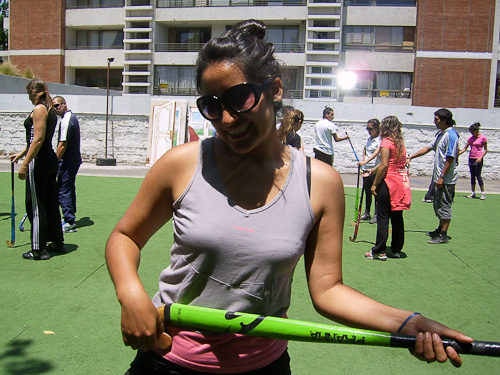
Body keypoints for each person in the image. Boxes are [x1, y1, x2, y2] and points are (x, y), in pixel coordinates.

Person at [106, 20, 472, 375]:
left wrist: (407, 322)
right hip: (169, 360)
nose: (228, 119)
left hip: (263, 367)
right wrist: (131, 294)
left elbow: (328, 290)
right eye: (213, 106)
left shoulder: (320, 183)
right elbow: (124, 237)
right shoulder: (182, 163)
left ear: (275, 89)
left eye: (239, 99)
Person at [10, 80, 64, 260]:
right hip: (48, 158)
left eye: (30, 96)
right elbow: (38, 139)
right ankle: (57, 241)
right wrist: (22, 153)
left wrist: (25, 164)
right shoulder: (50, 110)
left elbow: (38, 140)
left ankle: (38, 249)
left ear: (35, 94)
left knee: (35, 204)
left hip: (39, 161)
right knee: (49, 201)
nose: (29, 99)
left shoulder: (40, 109)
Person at [407, 108, 459, 245]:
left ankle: (443, 235)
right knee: (437, 205)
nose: (434, 121)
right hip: (438, 177)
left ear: (444, 120)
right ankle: (439, 229)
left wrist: (442, 176)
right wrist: (411, 156)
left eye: (436, 119)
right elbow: (428, 148)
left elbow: (450, 157)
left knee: (444, 205)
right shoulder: (441, 134)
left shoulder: (451, 135)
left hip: (446, 179)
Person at [365, 116, 411, 260]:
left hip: (388, 183)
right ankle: (396, 249)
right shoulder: (400, 143)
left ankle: (379, 250)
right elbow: (389, 162)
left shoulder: (386, 142)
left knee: (383, 217)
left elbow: (384, 165)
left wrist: (374, 183)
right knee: (397, 217)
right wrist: (372, 170)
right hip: (401, 183)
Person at [53, 96, 82, 233]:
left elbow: (62, 145)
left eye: (57, 105)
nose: (55, 108)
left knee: (63, 189)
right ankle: (70, 217)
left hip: (69, 160)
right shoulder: (72, 117)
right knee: (68, 187)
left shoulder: (66, 120)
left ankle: (69, 221)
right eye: (53, 106)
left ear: (64, 104)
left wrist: (54, 162)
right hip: (73, 160)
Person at [357, 118, 381, 224]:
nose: (368, 131)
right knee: (367, 191)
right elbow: (365, 149)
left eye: (370, 129)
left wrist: (366, 161)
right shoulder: (369, 139)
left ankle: (376, 214)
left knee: (375, 192)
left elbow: (376, 153)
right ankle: (367, 213)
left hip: (375, 170)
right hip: (366, 169)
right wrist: (363, 162)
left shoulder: (380, 140)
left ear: (377, 128)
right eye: (367, 128)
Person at [459, 122, 488, 200]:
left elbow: (485, 150)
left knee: (478, 176)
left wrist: (480, 157)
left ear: (477, 130)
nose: (472, 133)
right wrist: (458, 153)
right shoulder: (470, 138)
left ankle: (483, 193)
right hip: (471, 158)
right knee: (472, 176)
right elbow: (465, 148)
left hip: (478, 159)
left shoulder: (483, 138)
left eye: (473, 131)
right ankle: (473, 193)